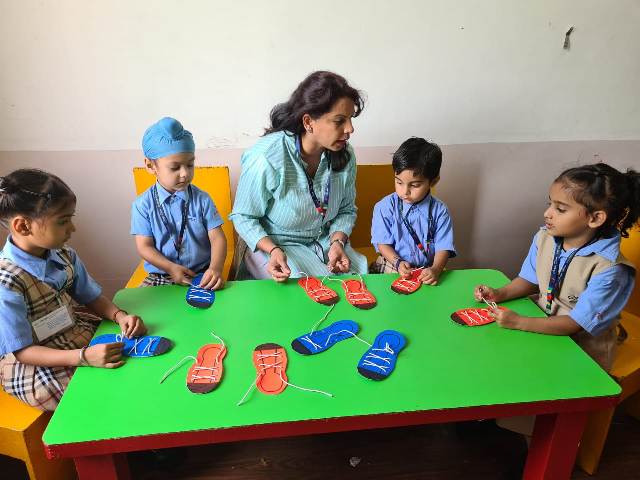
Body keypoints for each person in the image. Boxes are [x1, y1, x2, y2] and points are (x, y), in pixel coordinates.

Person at [0, 169, 147, 411]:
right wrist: (84, 357)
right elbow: (23, 351)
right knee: (95, 396)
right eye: (63, 221)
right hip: (37, 361)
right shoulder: (6, 282)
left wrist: (119, 316)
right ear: (23, 226)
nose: (73, 228)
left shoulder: (65, 255)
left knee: (132, 363)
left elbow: (91, 297)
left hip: (74, 332)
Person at [476, 162, 638, 371]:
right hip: (540, 318)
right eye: (550, 204)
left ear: (595, 218)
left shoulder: (610, 269)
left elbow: (574, 324)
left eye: (560, 209)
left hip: (582, 345)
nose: (547, 213)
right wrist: (499, 294)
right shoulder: (545, 237)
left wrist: (519, 322)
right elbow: (529, 280)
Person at [230, 71, 369, 281]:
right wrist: (273, 250)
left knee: (359, 283)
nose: (350, 129)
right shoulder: (267, 157)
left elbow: (346, 210)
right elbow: (243, 217)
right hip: (277, 248)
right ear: (308, 122)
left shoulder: (345, 155)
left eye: (350, 119)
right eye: (339, 120)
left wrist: (337, 242)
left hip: (325, 244)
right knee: (308, 291)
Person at [131, 117, 227, 289]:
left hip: (201, 275)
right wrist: (170, 267)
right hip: (161, 275)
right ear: (150, 165)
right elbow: (144, 247)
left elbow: (218, 238)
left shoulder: (203, 199)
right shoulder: (142, 205)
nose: (184, 173)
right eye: (175, 168)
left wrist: (215, 268)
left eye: (190, 165)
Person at [370, 137, 456, 284]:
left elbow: (444, 247)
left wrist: (435, 269)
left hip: (427, 268)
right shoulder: (384, 207)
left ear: (433, 181)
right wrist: (398, 262)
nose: (405, 191)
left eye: (415, 185)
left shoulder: (440, 211)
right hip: (393, 263)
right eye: (399, 182)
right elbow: (382, 243)